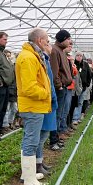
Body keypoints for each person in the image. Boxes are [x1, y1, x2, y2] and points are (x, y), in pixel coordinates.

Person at [16, 27, 51, 185]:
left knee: (29, 139)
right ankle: (30, 181)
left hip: (34, 106)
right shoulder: (28, 57)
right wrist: (46, 93)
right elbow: (29, 87)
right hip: (33, 106)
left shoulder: (32, 56)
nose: (48, 42)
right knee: (31, 141)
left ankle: (27, 174)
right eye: (47, 40)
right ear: (39, 40)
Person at [49, 30, 72, 149]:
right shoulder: (55, 51)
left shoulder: (61, 51)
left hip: (63, 87)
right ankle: (53, 140)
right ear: (63, 39)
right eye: (68, 39)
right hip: (59, 88)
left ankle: (56, 138)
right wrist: (59, 85)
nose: (70, 41)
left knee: (60, 114)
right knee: (56, 114)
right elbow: (54, 71)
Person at [37, 42, 58, 175]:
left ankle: (39, 161)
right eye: (49, 44)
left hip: (49, 100)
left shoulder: (46, 60)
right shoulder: (41, 60)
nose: (51, 48)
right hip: (45, 101)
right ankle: (37, 164)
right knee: (41, 134)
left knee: (44, 133)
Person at [72, 52, 91, 124]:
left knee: (80, 102)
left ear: (82, 57)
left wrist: (87, 84)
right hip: (75, 88)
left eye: (80, 56)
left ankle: (77, 117)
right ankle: (74, 119)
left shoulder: (85, 65)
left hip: (83, 87)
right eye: (77, 55)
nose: (79, 57)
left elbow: (89, 74)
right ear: (75, 56)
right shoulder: (73, 64)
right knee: (75, 103)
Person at [2, 49, 18, 130]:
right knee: (7, 108)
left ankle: (10, 122)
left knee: (14, 109)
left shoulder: (13, 65)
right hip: (9, 90)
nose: (9, 58)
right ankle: (5, 125)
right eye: (7, 56)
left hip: (15, 91)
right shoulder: (6, 66)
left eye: (9, 56)